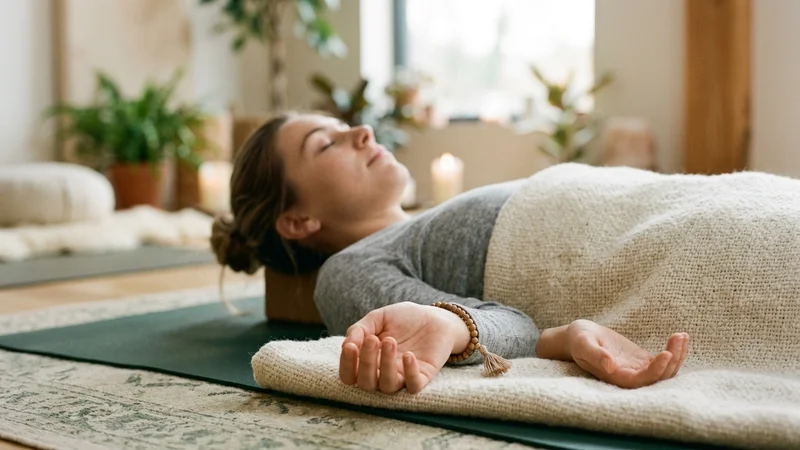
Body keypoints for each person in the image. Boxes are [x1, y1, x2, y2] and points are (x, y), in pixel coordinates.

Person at [210, 112, 689, 395]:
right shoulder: (348, 270)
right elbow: (490, 326)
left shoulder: (423, 224)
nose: (362, 131)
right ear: (298, 221)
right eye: (326, 144)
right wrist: (561, 339)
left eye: (344, 126)